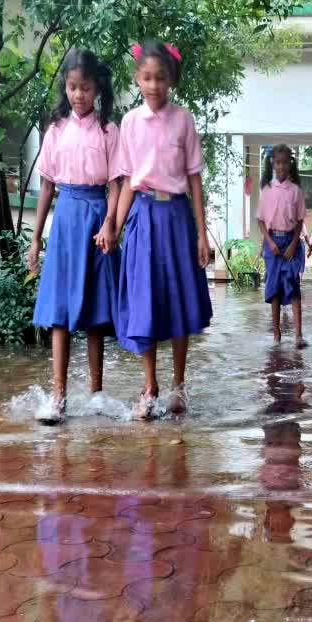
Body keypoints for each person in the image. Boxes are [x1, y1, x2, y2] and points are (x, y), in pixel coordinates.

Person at [112, 40, 212, 420]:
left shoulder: (183, 119)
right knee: (145, 304)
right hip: (142, 216)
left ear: (171, 80)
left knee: (181, 302)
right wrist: (116, 229)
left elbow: (194, 179)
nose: (154, 86)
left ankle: (179, 386)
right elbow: (125, 183)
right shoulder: (130, 123)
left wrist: (202, 234)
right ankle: (149, 385)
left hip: (176, 218)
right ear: (137, 79)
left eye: (161, 78)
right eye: (147, 78)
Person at [28, 49, 120, 425]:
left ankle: (96, 394)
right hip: (65, 219)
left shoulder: (109, 131)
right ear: (64, 87)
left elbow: (117, 184)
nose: (78, 95)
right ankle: (59, 396)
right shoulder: (55, 131)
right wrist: (36, 239)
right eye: (71, 87)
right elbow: (47, 187)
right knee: (60, 312)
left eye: (84, 88)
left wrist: (110, 223)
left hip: (98, 218)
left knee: (97, 312)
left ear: (97, 88)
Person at [259, 144, 308, 348]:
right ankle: (276, 335)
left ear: (290, 164)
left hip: (290, 244)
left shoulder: (296, 191)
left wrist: (293, 244)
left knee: (293, 287)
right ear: (273, 163)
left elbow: (299, 221)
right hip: (273, 245)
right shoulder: (267, 191)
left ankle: (298, 335)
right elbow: (261, 221)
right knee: (275, 291)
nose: (281, 166)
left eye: (285, 162)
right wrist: (269, 243)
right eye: (277, 162)